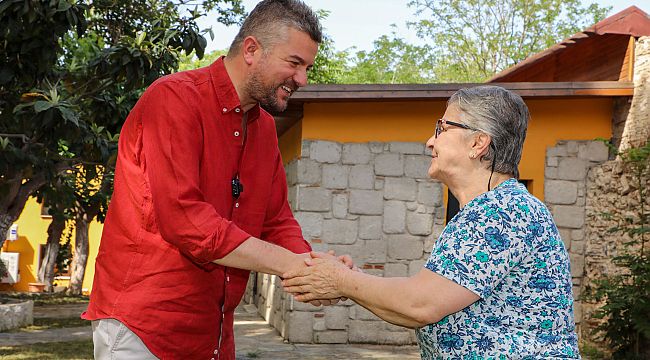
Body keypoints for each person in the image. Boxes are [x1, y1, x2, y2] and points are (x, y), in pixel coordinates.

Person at [83, 1, 351, 359]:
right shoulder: (173, 99)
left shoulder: (265, 129)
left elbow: (276, 221)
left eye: (307, 68)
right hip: (143, 329)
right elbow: (186, 220)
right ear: (252, 49)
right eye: (294, 63)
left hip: (216, 332)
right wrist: (296, 266)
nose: (302, 79)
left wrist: (316, 270)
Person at [283, 85, 580, 359]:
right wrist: (353, 282)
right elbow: (419, 303)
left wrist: (342, 280)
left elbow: (420, 305)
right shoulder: (492, 209)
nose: (429, 142)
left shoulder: (501, 211)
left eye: (442, 128)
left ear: (478, 143)